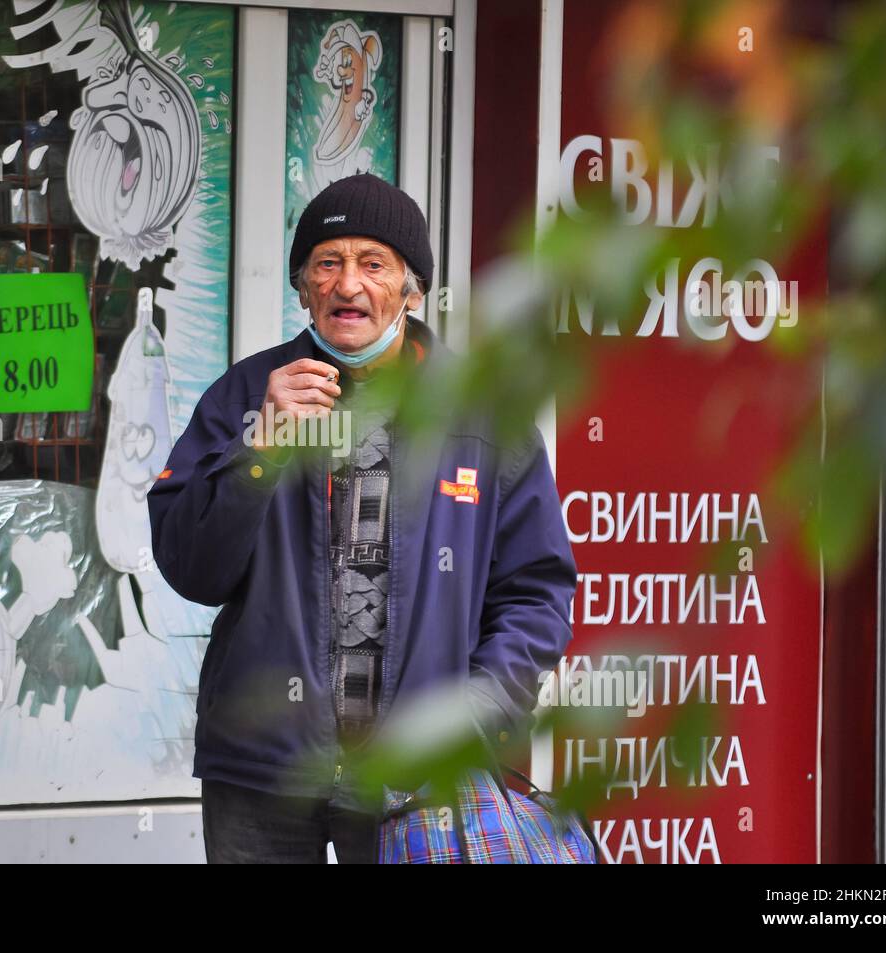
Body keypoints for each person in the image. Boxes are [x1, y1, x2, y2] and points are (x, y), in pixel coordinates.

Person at [147, 173, 577, 863]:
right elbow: (191, 567)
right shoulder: (245, 394)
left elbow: (537, 591)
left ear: (410, 289)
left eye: (372, 263)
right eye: (328, 262)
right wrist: (257, 449)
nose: (349, 284)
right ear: (303, 288)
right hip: (265, 774)